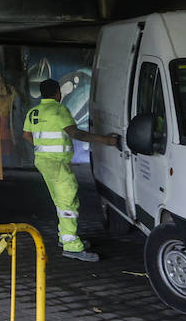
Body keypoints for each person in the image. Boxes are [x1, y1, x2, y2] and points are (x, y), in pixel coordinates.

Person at [22, 78, 120, 262]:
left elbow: (26, 135)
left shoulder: (33, 111)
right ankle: (71, 245)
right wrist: (106, 140)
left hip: (42, 162)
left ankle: (64, 237)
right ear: (57, 93)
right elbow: (76, 133)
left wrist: (43, 146)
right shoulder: (59, 110)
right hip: (58, 163)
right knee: (68, 201)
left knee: (60, 200)